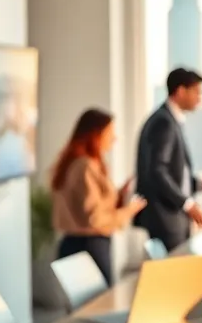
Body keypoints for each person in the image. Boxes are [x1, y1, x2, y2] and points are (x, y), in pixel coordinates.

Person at [50, 109, 147, 284]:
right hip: (88, 247)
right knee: (100, 299)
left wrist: (119, 194)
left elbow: (91, 207)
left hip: (81, 244)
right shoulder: (84, 166)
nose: (114, 138)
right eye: (110, 133)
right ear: (95, 135)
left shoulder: (82, 163)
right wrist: (129, 210)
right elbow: (95, 219)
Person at [134, 68, 202, 252]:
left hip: (171, 219)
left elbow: (175, 173)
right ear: (180, 91)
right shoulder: (163, 123)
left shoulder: (170, 121)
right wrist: (187, 204)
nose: (199, 98)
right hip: (166, 219)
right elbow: (158, 171)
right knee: (176, 267)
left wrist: (200, 185)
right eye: (196, 92)